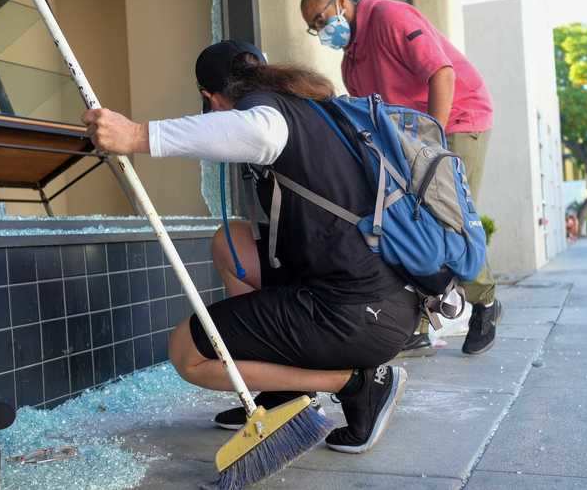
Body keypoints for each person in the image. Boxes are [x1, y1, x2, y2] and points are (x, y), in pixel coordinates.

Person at [83, 40, 420, 453]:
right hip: (383, 297)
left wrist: (136, 135)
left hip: (355, 315)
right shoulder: (308, 107)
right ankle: (282, 391)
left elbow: (258, 131)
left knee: (187, 354)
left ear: (211, 97)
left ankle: (358, 383)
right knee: (232, 242)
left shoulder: (269, 114)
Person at [300, 0, 502, 357]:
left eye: (321, 18)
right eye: (314, 27)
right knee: (409, 222)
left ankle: (486, 303)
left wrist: (433, 146)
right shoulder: (351, 63)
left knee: (448, 217)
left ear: (341, 1)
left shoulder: (390, 16)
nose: (321, 30)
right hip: (410, 140)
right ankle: (422, 324)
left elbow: (441, 73)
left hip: (458, 117)